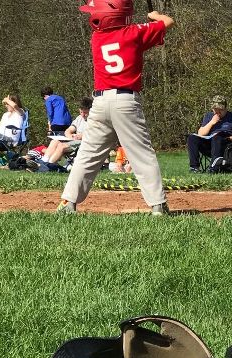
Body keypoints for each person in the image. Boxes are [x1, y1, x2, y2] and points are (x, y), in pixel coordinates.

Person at [57, 0, 174, 215]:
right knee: (141, 153)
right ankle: (158, 205)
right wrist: (155, 15)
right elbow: (168, 21)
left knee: (88, 154)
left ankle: (68, 203)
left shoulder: (97, 37)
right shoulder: (134, 32)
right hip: (126, 102)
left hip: (99, 103)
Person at [186, 95, 232, 173]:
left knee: (217, 136)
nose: (217, 112)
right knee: (192, 137)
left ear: (225, 108)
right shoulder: (208, 116)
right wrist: (212, 122)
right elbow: (200, 133)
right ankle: (194, 167)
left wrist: (230, 137)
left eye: (220, 110)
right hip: (209, 145)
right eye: (215, 109)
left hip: (225, 144)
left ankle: (214, 167)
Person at [40, 97, 92, 168]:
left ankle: (48, 165)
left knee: (61, 146)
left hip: (85, 142)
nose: (83, 115)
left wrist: (81, 136)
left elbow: (95, 133)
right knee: (54, 141)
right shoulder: (79, 118)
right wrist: (70, 136)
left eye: (85, 113)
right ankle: (44, 161)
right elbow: (68, 130)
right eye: (81, 112)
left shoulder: (94, 120)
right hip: (75, 141)